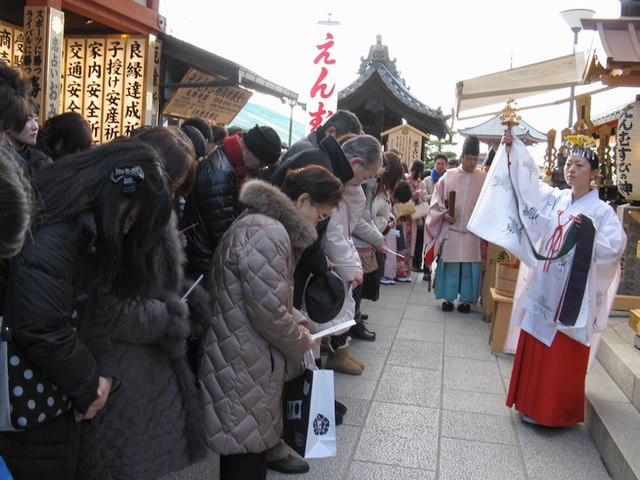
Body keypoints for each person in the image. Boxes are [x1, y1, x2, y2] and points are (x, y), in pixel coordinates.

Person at [0, 139, 173, 480]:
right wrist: (88, 384)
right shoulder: (58, 233)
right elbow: (42, 328)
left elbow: (89, 309)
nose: (127, 229)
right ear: (117, 195)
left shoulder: (85, 230)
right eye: (132, 218)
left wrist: (104, 373)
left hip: (49, 401)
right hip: (33, 405)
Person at [77, 128, 209, 479]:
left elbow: (156, 283)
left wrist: (184, 296)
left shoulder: (152, 212)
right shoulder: (118, 217)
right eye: (171, 185)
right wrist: (168, 316)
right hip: (120, 371)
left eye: (178, 189)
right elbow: (106, 307)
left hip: (147, 369)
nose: (172, 196)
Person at [469, 131, 626, 427]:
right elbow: (528, 190)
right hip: (547, 286)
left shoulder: (602, 211)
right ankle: (529, 403)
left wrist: (588, 232)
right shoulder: (557, 198)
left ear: (593, 173)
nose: (572, 169)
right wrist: (513, 151)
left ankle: (555, 413)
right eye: (569, 163)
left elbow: (615, 248)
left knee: (560, 353)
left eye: (580, 165)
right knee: (537, 343)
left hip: (571, 294)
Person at [198, 166, 344, 480]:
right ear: (303, 200)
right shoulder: (269, 232)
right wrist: (301, 340)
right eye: (320, 216)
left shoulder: (262, 225)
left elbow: (268, 297)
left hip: (241, 353)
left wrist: (300, 322)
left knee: (244, 445)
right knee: (245, 454)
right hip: (244, 360)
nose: (318, 225)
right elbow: (270, 314)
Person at [181, 124, 282, 285]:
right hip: (203, 264)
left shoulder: (227, 163)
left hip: (203, 259)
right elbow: (224, 236)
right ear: (249, 151)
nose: (259, 168)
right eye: (261, 163)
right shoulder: (220, 175)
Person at [424, 135, 485, 313]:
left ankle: (466, 300)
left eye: (475, 159)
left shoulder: (483, 179)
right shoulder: (448, 176)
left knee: (469, 267)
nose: (472, 163)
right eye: (469, 159)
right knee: (450, 265)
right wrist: (443, 215)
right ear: (462, 157)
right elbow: (436, 201)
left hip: (472, 231)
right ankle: (448, 298)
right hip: (452, 228)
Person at [277, 109, 362, 166]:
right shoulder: (305, 149)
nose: (343, 150)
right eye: (343, 143)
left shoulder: (314, 150)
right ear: (331, 133)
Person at [4, 99, 51, 177]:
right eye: (28, 120)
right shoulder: (4, 162)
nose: (35, 126)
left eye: (36, 120)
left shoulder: (41, 160)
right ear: (8, 123)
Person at [422, 153, 448, 282]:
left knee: (441, 244)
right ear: (434, 164)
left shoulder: (449, 179)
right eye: (438, 163)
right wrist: (436, 194)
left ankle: (438, 269)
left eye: (443, 164)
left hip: (443, 217)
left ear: (446, 165)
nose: (440, 166)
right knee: (428, 243)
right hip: (430, 216)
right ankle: (426, 269)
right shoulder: (427, 180)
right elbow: (424, 198)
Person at [408, 160, 429, 273]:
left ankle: (414, 263)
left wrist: (417, 198)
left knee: (416, 240)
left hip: (416, 216)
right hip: (408, 215)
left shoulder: (421, 183)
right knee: (411, 240)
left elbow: (424, 199)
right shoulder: (406, 180)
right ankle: (412, 263)